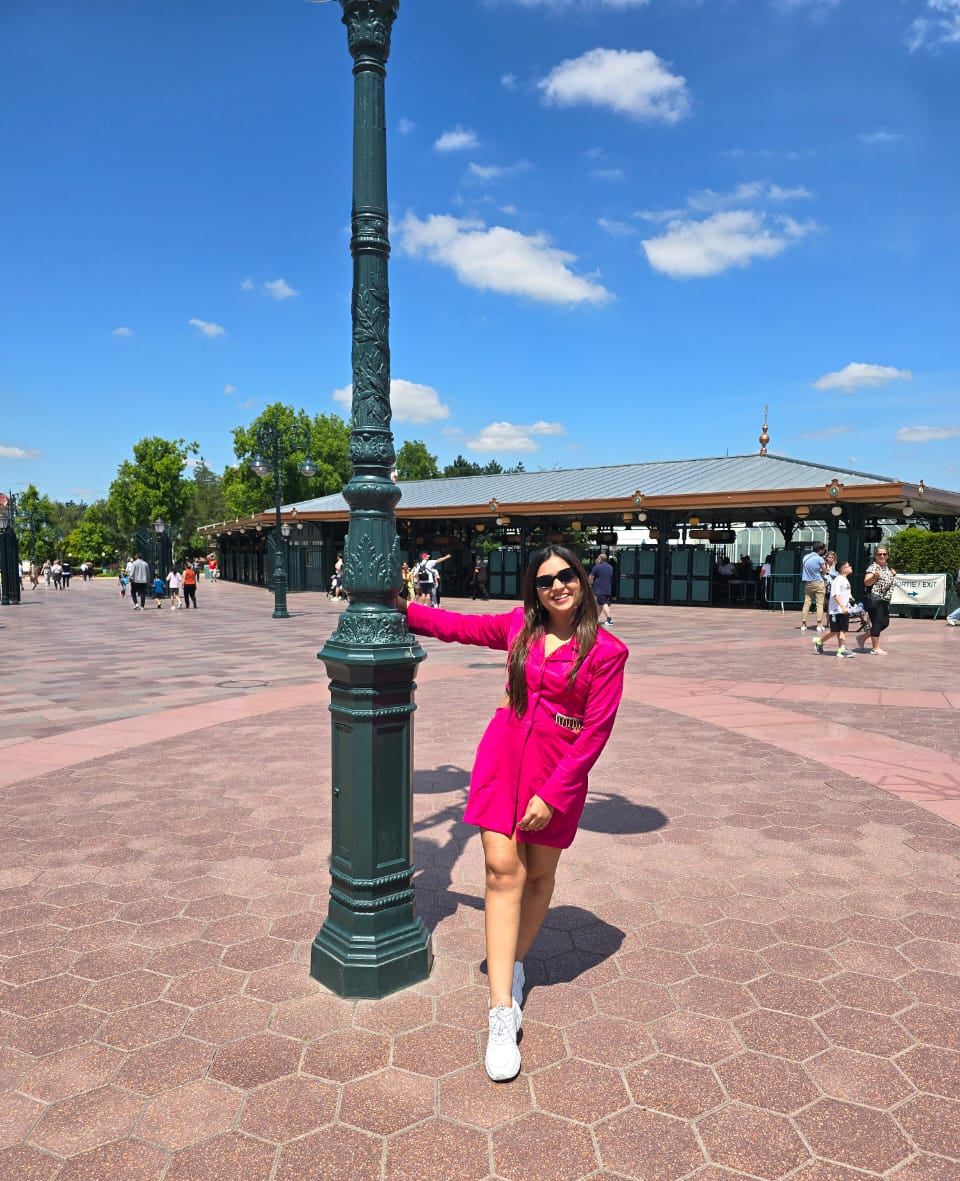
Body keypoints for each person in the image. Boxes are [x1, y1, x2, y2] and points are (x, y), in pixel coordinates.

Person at [397, 545, 628, 1081]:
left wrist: (553, 794)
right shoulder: (520, 630)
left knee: (540, 876)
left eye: (567, 577)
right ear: (535, 589)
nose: (558, 587)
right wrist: (399, 607)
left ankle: (514, 964)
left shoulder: (607, 651)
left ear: (584, 580)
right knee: (504, 871)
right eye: (546, 581)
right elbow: (458, 626)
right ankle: (502, 1010)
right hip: (502, 759)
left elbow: (595, 732)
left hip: (558, 774)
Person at [813, 560, 857, 658]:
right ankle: (821, 642)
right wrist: (842, 606)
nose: (851, 567)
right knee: (836, 630)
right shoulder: (838, 580)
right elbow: (836, 595)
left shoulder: (845, 580)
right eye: (849, 566)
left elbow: (846, 594)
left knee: (841, 630)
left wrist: (852, 603)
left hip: (844, 610)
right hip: (836, 611)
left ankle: (841, 649)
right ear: (843, 569)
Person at [861, 545, 896, 654]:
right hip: (875, 599)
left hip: (884, 600)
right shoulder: (873, 567)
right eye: (879, 554)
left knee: (885, 623)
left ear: (887, 556)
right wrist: (874, 577)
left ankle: (862, 638)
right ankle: (875, 648)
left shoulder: (887, 568)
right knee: (877, 622)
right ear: (875, 556)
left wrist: (893, 574)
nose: (882, 556)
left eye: (884, 554)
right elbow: (866, 582)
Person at [799, 542, 827, 633]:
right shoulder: (820, 559)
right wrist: (823, 573)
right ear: (820, 550)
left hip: (808, 583)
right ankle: (819, 624)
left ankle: (803, 624)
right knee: (819, 604)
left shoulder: (805, 557)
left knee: (807, 603)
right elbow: (824, 571)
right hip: (818, 582)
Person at [589, 552, 615, 628]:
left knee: (604, 604)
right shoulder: (610, 567)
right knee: (599, 604)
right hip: (607, 589)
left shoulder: (597, 567)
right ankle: (593, 619)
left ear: (600, 559)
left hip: (599, 589)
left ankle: (609, 620)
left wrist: (589, 584)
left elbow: (591, 577)